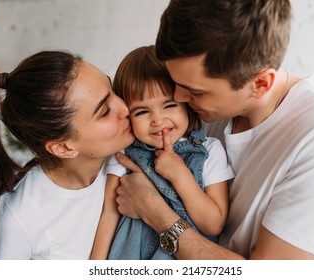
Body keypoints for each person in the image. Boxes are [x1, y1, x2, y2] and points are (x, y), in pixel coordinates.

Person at [114, 0, 314, 260]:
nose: (178, 98)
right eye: (176, 83)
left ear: (261, 84)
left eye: (195, 91)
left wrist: (156, 212)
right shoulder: (200, 111)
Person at [0, 50, 135, 260]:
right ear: (63, 148)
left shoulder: (131, 155)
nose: (125, 107)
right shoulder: (19, 220)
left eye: (112, 88)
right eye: (104, 112)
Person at [90, 45, 233, 260]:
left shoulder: (209, 151)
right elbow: (109, 214)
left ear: (186, 103)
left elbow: (213, 224)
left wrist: (179, 174)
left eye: (169, 105)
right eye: (142, 111)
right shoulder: (123, 154)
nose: (157, 120)